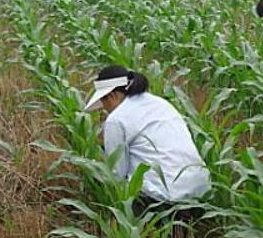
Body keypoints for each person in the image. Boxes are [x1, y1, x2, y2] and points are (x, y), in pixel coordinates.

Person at [84, 65, 210, 220]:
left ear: (112, 96)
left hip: (165, 202)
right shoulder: (160, 103)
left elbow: (116, 175)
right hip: (200, 192)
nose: (104, 108)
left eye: (103, 101)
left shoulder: (116, 120)